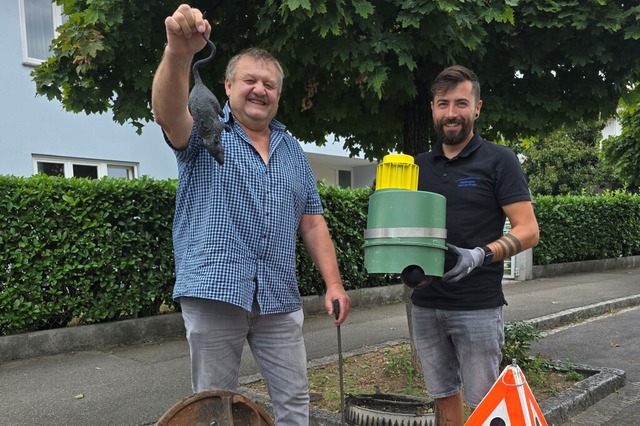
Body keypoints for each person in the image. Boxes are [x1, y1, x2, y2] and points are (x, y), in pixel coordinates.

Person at [150, 5, 351, 425]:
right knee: (214, 406)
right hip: (215, 290)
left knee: (295, 400)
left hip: (279, 295)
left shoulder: (292, 150)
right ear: (227, 86)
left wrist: (333, 283)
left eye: (269, 84)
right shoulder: (205, 128)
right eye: (250, 81)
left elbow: (312, 221)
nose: (260, 90)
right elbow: (168, 115)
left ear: (278, 94)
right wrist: (179, 54)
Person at [410, 65, 540, 425]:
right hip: (426, 304)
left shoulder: (499, 160)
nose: (451, 113)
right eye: (443, 104)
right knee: (442, 395)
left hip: (477, 307)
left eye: (461, 103)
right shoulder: (417, 167)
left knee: (485, 405)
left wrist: (480, 254)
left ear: (477, 108)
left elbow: (529, 230)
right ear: (433, 109)